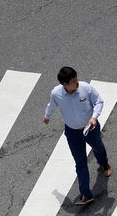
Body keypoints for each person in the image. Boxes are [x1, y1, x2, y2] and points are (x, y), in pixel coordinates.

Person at [44, 66, 112, 206]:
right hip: (72, 133)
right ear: (65, 84)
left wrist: (94, 117)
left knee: (98, 148)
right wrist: (47, 116)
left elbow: (99, 101)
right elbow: (52, 105)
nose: (77, 82)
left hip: (90, 128)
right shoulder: (56, 93)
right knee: (80, 163)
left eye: (76, 78)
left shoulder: (85, 88)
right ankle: (86, 194)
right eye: (73, 81)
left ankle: (104, 164)